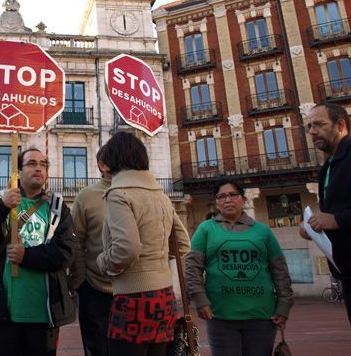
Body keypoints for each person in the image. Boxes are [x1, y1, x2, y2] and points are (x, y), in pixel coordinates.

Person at [0, 147, 76, 356]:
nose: (39, 168)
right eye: (32, 163)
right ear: (18, 170)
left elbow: (66, 252)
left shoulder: (57, 207)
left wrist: (27, 257)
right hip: (1, 311)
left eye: (43, 164)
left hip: (43, 315)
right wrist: (1, 208)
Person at [96, 132, 190, 356]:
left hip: (133, 298)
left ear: (112, 161)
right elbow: (183, 244)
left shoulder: (119, 194)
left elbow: (126, 248)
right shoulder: (161, 195)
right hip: (165, 296)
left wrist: (102, 262)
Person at [186, 178, 294, 356]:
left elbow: (280, 270)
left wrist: (283, 305)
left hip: (261, 316)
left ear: (243, 200)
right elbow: (193, 267)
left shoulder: (263, 231)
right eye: (221, 196)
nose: (227, 200)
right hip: (220, 315)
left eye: (233, 195)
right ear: (216, 203)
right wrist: (200, 299)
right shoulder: (206, 229)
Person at [300, 102, 351, 324]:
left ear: (340, 125)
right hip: (346, 268)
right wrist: (314, 226)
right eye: (309, 126)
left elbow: (337, 217)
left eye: (319, 124)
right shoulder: (327, 168)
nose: (312, 131)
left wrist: (337, 220)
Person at [70, 145, 113, 356]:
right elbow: (76, 240)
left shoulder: (140, 193)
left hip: (133, 289)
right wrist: (81, 280)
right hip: (95, 290)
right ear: (102, 165)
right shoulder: (86, 196)